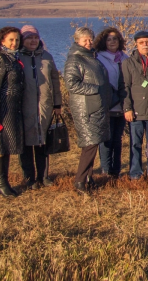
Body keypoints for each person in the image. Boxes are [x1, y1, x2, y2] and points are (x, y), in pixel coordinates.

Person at [63, 27, 113, 194]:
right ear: (77, 41)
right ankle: (79, 181)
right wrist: (96, 89)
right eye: (85, 40)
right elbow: (71, 84)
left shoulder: (92, 57)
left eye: (90, 39)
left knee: (93, 142)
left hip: (97, 107)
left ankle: (88, 177)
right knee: (89, 144)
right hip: (86, 109)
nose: (88, 42)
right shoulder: (74, 60)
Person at [18, 25, 62, 189]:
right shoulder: (18, 57)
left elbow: (55, 81)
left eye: (35, 37)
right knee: (26, 144)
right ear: (23, 39)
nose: (33, 40)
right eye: (29, 37)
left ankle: (44, 176)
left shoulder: (46, 57)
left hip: (44, 105)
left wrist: (57, 103)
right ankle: (29, 178)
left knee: (43, 141)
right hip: (25, 106)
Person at [0, 26, 25, 198]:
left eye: (17, 40)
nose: (14, 43)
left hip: (13, 107)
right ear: (2, 41)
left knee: (6, 145)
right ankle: (1, 183)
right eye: (11, 40)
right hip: (2, 108)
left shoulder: (14, 59)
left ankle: (3, 182)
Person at [122, 31, 148, 180]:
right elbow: (124, 87)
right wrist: (127, 108)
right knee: (135, 144)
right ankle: (135, 173)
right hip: (136, 110)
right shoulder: (128, 62)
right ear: (136, 44)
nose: (145, 44)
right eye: (141, 42)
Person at [94, 28, 128, 179]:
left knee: (117, 139)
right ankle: (106, 170)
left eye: (115, 39)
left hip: (122, 105)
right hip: (106, 104)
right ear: (103, 42)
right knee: (106, 139)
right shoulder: (98, 58)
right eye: (109, 39)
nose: (112, 42)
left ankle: (116, 170)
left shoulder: (125, 58)